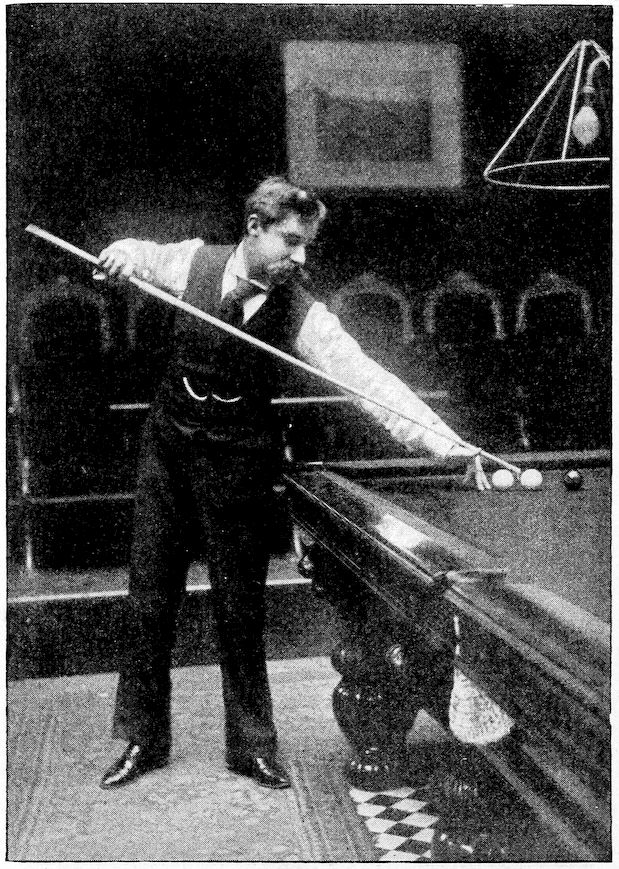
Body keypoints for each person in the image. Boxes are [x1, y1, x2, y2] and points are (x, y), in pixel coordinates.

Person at [98, 176, 489, 791]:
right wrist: (119, 255)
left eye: (307, 244)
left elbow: (367, 380)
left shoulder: (303, 312)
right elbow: (136, 253)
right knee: (149, 601)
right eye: (290, 241)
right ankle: (142, 738)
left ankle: (252, 746)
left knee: (241, 607)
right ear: (254, 228)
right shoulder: (192, 262)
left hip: (240, 462)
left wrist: (448, 443)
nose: (301, 257)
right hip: (168, 454)